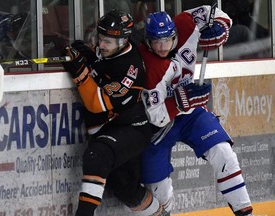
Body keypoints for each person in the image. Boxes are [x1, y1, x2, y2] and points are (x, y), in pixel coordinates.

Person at [138, 6, 254, 216]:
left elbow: (214, 12)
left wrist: (220, 28)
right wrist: (183, 100)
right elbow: (155, 115)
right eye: (156, 42)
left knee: (224, 153)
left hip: (191, 114)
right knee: (157, 189)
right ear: (148, 41)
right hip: (158, 127)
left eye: (167, 40)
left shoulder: (185, 23)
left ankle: (245, 213)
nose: (163, 47)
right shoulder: (149, 64)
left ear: (175, 33)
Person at [61, 9, 164, 216]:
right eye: (100, 39)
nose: (102, 45)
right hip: (113, 129)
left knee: (96, 155)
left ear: (124, 41)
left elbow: (97, 103)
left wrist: (80, 72)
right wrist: (88, 55)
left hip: (131, 129)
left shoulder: (131, 69)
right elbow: (102, 64)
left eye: (107, 41)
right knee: (127, 190)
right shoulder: (111, 49)